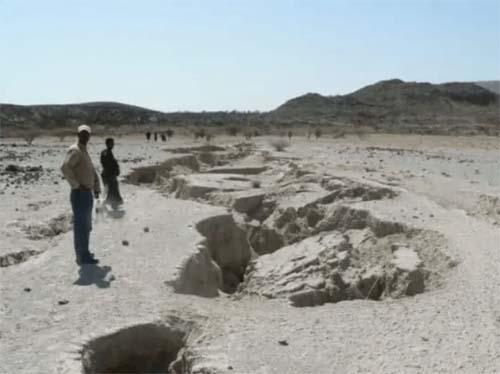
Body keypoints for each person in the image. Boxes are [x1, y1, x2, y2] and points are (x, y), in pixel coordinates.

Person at [61, 125, 101, 265]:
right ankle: (82, 257)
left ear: (89, 136)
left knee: (87, 225)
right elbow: (65, 168)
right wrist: (77, 185)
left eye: (87, 134)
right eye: (82, 133)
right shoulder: (75, 150)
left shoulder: (84, 151)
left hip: (87, 194)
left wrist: (96, 188)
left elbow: (92, 171)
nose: (85, 136)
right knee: (81, 227)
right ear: (78, 134)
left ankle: (85, 252)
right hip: (80, 194)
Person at [100, 138, 123, 208]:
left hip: (108, 173)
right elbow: (108, 163)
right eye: (111, 143)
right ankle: (106, 203)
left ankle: (113, 204)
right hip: (109, 174)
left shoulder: (106, 152)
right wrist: (115, 168)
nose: (113, 145)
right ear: (107, 144)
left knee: (112, 188)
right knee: (112, 188)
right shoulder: (107, 152)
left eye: (113, 143)